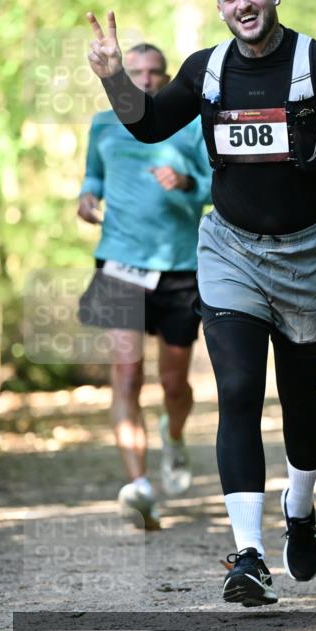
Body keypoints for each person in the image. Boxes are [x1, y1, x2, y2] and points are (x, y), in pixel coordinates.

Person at [85, 0, 316, 605]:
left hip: (306, 255)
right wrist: (112, 79)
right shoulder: (205, 70)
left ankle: (300, 510)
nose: (242, 3)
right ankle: (248, 555)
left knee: (300, 399)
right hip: (230, 251)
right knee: (239, 389)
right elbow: (150, 122)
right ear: (221, 7)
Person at [78, 43, 212, 530]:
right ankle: (139, 485)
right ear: (123, 75)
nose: (148, 79)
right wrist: (88, 193)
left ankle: (173, 438)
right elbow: (94, 172)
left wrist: (188, 183)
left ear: (167, 76)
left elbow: (219, 185)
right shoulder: (103, 124)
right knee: (127, 375)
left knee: (174, 383)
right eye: (137, 72)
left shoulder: (192, 124)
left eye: (157, 72)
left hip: (179, 269)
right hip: (120, 264)